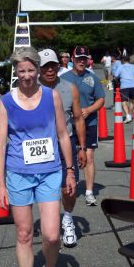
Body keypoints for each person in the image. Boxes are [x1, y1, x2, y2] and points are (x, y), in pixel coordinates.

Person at [0, 46, 76, 267]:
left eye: (31, 70)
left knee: (52, 234)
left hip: (50, 172)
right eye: (22, 72)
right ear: (15, 73)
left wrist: (70, 171)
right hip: (18, 174)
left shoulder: (51, 97)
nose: (27, 76)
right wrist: (1, 184)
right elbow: (1, 144)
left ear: (38, 70)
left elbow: (64, 135)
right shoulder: (6, 102)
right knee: (24, 233)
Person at [38, 48, 87, 247]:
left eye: (52, 66)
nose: (49, 70)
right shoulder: (31, 88)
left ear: (59, 66)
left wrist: (82, 147)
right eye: (45, 66)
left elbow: (78, 119)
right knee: (44, 189)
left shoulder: (70, 88)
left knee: (69, 188)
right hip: (40, 146)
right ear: (38, 69)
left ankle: (67, 218)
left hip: (65, 143)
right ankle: (50, 224)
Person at [62, 46, 105, 206]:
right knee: (68, 156)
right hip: (68, 124)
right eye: (79, 58)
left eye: (84, 58)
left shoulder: (92, 78)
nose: (81, 61)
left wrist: (88, 110)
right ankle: (66, 187)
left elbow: (101, 99)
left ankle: (89, 192)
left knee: (89, 157)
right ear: (73, 59)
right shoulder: (63, 78)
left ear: (88, 60)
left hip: (90, 123)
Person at [115, 55, 134, 123]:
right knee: (131, 101)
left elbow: (115, 76)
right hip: (133, 85)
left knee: (123, 102)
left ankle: (128, 115)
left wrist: (116, 82)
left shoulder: (121, 67)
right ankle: (129, 116)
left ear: (123, 60)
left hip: (124, 86)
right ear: (129, 60)